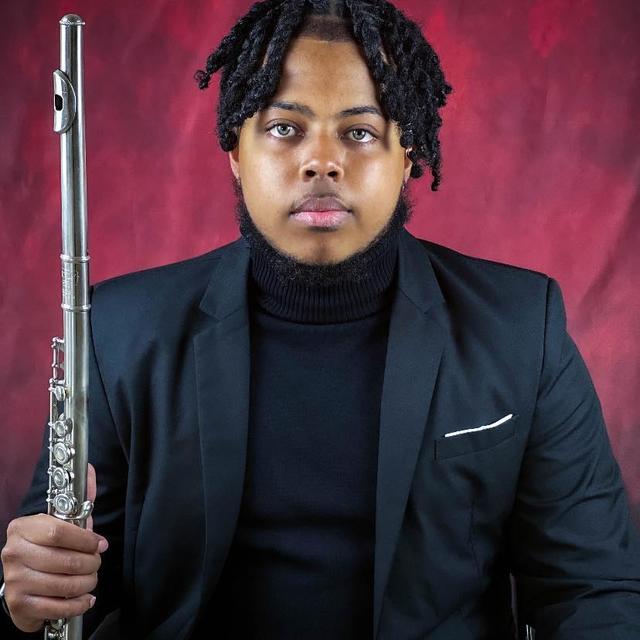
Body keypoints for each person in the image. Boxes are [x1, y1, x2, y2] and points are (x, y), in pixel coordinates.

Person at [2, 0, 640, 638]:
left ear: (407, 150)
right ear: (235, 149)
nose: (322, 162)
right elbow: (57, 583)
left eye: (359, 132)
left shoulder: (522, 328)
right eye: (285, 128)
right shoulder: (119, 329)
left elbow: (592, 589)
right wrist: (28, 592)